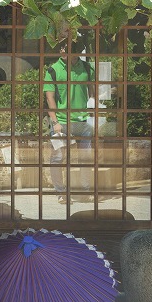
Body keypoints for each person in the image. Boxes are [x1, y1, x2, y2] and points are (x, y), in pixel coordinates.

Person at [44, 42, 96, 204]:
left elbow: (92, 91)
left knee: (85, 157)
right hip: (61, 121)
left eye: (68, 48)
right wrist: (55, 122)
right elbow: (49, 98)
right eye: (63, 48)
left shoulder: (87, 68)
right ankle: (61, 192)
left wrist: (93, 110)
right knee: (58, 157)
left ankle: (85, 191)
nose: (64, 50)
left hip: (83, 121)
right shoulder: (53, 70)